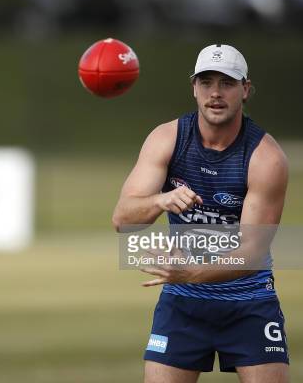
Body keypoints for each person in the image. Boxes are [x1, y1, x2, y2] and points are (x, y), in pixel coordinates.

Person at [112, 44, 290, 383]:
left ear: (246, 90)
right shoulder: (166, 139)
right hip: (182, 304)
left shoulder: (266, 158)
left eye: (227, 83)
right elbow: (122, 220)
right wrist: (159, 201)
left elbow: (250, 254)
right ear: (194, 88)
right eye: (206, 82)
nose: (216, 93)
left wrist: (189, 272)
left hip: (249, 301)